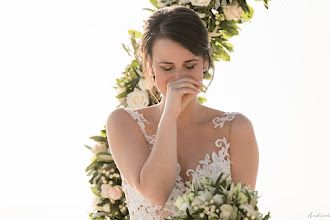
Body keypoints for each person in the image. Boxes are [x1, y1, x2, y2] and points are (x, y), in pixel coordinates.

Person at [106, 5, 259, 219]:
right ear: (150, 67)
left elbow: (244, 212)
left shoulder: (237, 128)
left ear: (205, 62)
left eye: (189, 66)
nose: (179, 79)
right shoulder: (123, 123)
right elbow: (156, 194)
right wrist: (169, 115)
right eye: (167, 68)